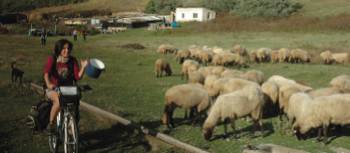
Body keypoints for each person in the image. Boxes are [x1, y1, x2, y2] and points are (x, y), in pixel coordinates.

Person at [43, 39, 88, 134]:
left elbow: (77, 77)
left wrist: (83, 67)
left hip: (68, 89)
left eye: (68, 48)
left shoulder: (72, 60)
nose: (67, 50)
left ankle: (71, 126)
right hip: (54, 88)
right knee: (59, 102)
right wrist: (49, 84)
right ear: (59, 49)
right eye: (64, 48)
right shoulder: (53, 58)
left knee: (75, 105)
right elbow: (46, 73)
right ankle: (51, 124)